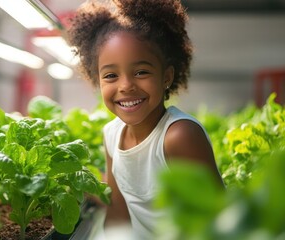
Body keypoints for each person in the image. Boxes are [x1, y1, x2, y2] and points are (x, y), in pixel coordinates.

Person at [67, 0, 223, 238]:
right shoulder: (111, 134)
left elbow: (216, 221)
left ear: (166, 77)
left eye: (141, 72)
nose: (126, 86)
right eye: (111, 75)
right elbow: (118, 211)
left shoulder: (178, 136)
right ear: (97, 80)